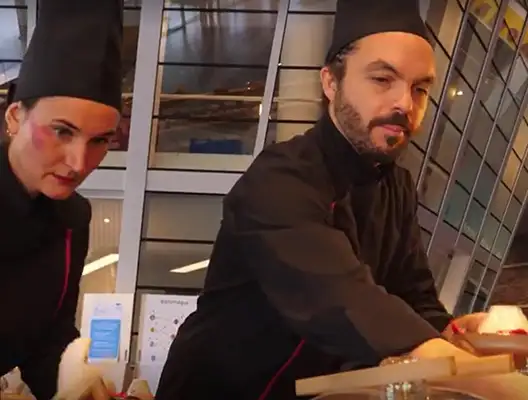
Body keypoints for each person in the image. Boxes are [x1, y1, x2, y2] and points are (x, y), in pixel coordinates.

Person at [156, 1, 489, 399]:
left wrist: (450, 332)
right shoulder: (280, 178)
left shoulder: (395, 185)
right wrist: (483, 378)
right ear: (331, 83)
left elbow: (413, 296)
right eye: (383, 79)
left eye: (420, 88)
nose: (405, 103)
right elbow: (338, 298)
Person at [0, 0, 123, 398]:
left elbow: (48, 338)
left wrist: (80, 384)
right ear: (15, 116)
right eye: (62, 131)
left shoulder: (72, 218)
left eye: (99, 141)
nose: (78, 162)